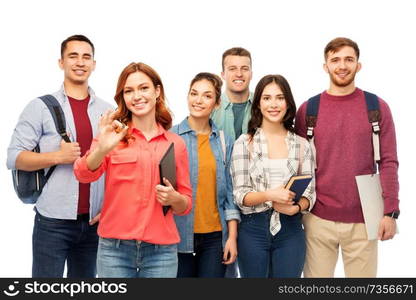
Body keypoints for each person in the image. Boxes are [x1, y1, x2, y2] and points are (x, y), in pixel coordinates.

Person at [6, 35, 112, 277]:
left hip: (94, 224)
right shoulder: (39, 107)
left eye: (86, 57)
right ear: (61, 62)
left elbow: (113, 163)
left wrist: (108, 207)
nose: (80, 62)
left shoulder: (107, 110)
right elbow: (13, 157)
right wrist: (56, 157)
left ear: (94, 64)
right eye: (72, 56)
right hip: (52, 223)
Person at [74, 62, 192, 278]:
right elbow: (82, 173)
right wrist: (102, 148)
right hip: (114, 251)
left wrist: (174, 198)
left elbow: (185, 204)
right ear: (123, 97)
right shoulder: (112, 136)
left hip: (161, 252)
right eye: (129, 91)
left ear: (157, 91)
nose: (137, 96)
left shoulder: (175, 144)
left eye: (143, 88)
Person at [295, 37, 400, 277]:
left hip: (365, 216)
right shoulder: (308, 110)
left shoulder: (376, 106)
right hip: (317, 217)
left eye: (348, 59)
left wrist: (390, 212)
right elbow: (299, 165)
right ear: (326, 66)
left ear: (358, 65)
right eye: (335, 60)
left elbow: (389, 162)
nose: (342, 66)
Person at [230, 74, 315, 278]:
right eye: (267, 98)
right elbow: (240, 196)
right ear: (258, 104)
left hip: (291, 229)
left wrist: (295, 207)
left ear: (288, 103)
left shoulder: (302, 145)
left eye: (280, 97)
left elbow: (310, 193)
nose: (274, 104)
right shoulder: (245, 143)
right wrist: (271, 196)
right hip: (253, 229)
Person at [171, 72, 240, 277]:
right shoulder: (170, 137)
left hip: (214, 238)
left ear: (217, 103)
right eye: (194, 93)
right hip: (178, 236)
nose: (198, 100)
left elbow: (230, 194)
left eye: (207, 96)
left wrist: (232, 238)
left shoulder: (224, 141)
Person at [211, 47, 254, 142]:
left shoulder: (262, 104)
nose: (239, 74)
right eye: (232, 69)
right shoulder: (211, 106)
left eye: (244, 69)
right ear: (223, 75)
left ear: (251, 74)